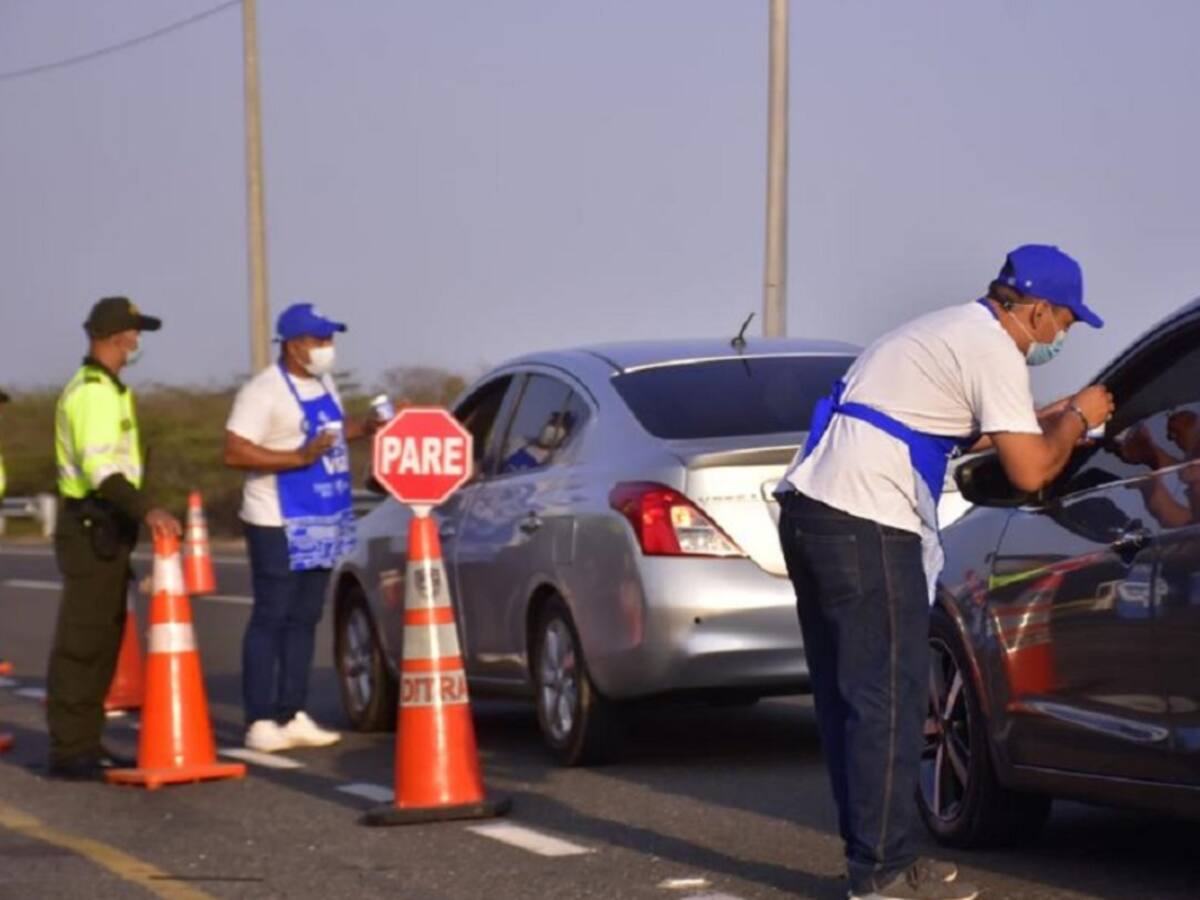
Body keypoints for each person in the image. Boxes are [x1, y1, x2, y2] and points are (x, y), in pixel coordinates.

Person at [776, 245, 1114, 900]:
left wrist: (1053, 413)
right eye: (1067, 323)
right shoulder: (994, 349)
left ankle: (875, 861)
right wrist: (1077, 418)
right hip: (867, 518)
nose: (1063, 338)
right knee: (891, 699)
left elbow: (967, 429)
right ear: (1037, 310)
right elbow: (1031, 472)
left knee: (852, 699)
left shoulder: (947, 330)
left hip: (814, 511)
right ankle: (883, 874)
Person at [223, 302, 374, 752]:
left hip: (322, 517)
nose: (328, 349)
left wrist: (367, 426)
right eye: (319, 340)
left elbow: (331, 432)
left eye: (330, 340)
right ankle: (260, 719)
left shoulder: (325, 382)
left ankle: (292, 711)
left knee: (305, 618)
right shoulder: (263, 392)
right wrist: (297, 458)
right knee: (272, 615)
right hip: (276, 519)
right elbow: (235, 451)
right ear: (293, 346)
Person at [48, 296, 181, 779]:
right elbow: (101, 469)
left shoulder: (110, 390)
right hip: (90, 523)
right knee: (82, 641)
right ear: (112, 335)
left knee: (103, 638)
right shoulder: (91, 393)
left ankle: (87, 741)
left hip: (106, 527)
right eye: (133, 332)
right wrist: (149, 510)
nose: (137, 341)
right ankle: (70, 748)